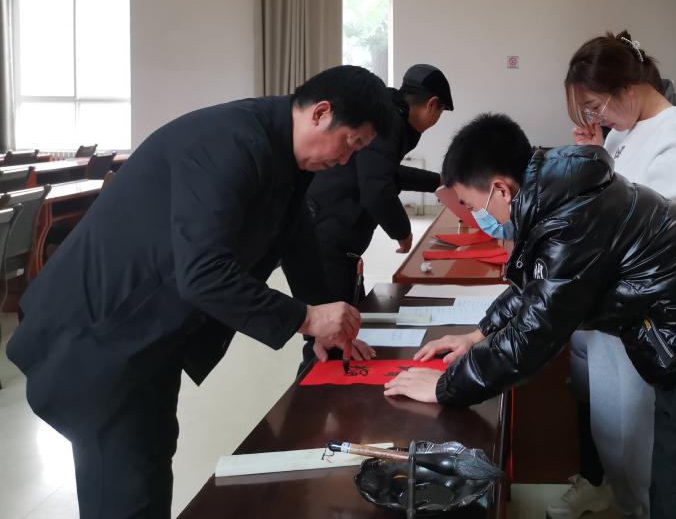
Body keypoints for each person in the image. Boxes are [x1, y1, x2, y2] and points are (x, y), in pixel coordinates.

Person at [7, 66, 392, 519]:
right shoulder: (231, 142)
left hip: (146, 335)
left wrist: (325, 320)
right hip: (96, 341)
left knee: (148, 467)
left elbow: (296, 236)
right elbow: (204, 274)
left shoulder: (285, 152)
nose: (346, 161)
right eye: (351, 143)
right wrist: (307, 319)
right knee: (126, 490)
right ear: (321, 113)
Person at [383, 113, 676, 519]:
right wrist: (478, 334)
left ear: (501, 189)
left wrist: (445, 387)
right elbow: (541, 286)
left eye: (471, 205)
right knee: (675, 493)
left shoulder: (570, 219)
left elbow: (532, 339)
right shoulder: (560, 194)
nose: (475, 217)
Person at [555, 30, 676, 518]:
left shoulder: (675, 131)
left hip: (657, 315)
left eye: (596, 106)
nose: (597, 118)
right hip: (622, 310)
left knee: (643, 444)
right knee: (617, 435)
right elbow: (616, 196)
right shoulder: (625, 132)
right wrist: (598, 154)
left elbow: (655, 231)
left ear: (625, 89)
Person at [293, 64, 453, 308]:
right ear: (431, 104)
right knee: (333, 322)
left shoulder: (387, 116)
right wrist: (402, 232)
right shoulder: (390, 122)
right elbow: (377, 187)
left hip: (327, 230)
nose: (435, 122)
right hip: (327, 235)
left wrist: (439, 182)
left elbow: (384, 173)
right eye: (439, 114)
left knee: (348, 316)